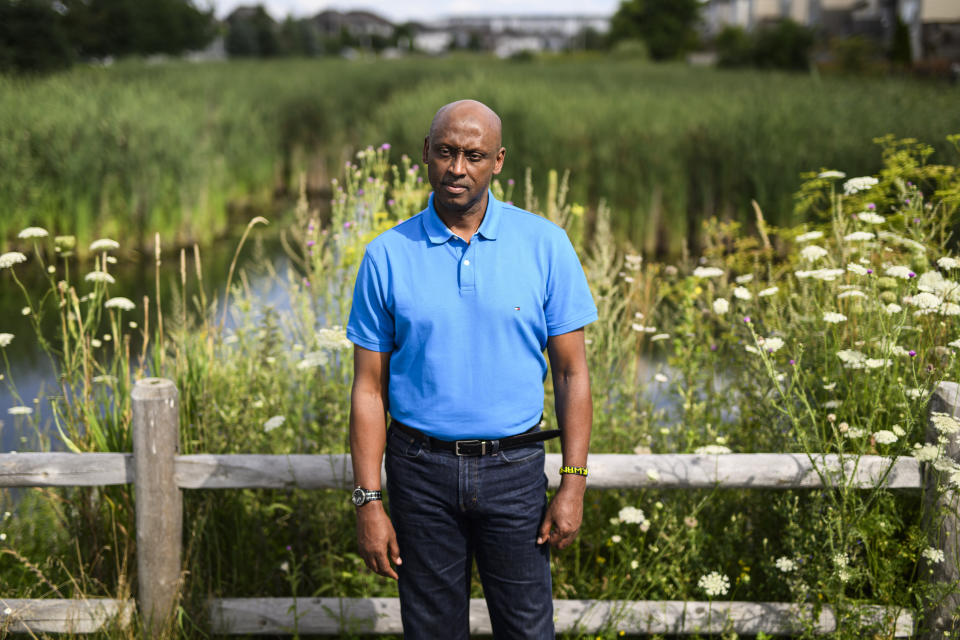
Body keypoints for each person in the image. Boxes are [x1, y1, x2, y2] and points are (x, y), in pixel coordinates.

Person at [346, 99, 596, 640]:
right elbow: (369, 389)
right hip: (419, 473)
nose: (457, 168)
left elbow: (573, 374)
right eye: (446, 152)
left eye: (474, 155)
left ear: (498, 161)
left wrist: (572, 483)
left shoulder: (546, 245)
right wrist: (368, 501)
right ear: (425, 155)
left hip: (516, 469)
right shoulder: (386, 255)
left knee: (528, 630)